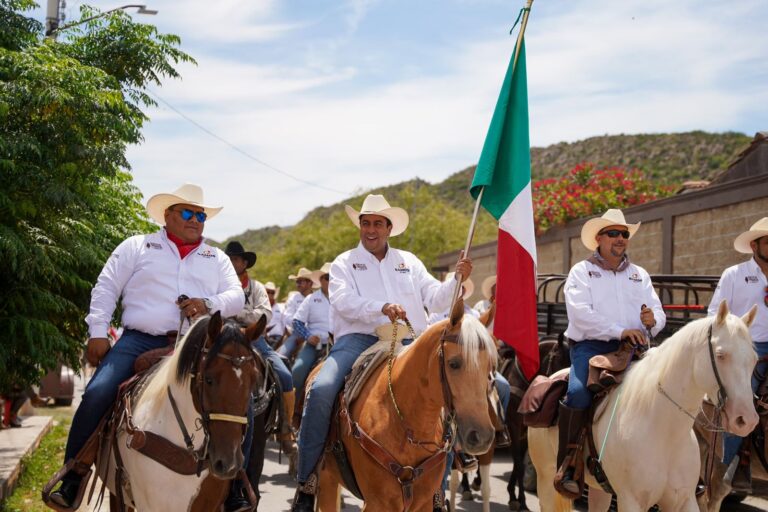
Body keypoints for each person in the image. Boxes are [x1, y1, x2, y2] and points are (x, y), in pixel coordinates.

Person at [49, 183, 246, 510]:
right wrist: (97, 331)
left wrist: (207, 303)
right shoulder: (137, 246)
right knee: (98, 392)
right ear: (167, 215)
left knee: (239, 402)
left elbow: (236, 296)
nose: (195, 219)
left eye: (200, 215)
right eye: (187, 212)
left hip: (194, 344)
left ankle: (238, 482)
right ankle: (74, 474)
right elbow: (106, 287)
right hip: (140, 338)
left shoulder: (217, 257)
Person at [291, 194, 474, 511]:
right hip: (359, 340)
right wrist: (381, 307)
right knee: (321, 389)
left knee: (447, 388)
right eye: (366, 223)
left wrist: (457, 278)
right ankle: (307, 481)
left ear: (390, 228)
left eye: (378, 223)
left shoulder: (409, 262)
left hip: (409, 343)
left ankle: (440, 483)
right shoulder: (344, 263)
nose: (371, 229)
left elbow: (437, 297)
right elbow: (343, 301)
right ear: (360, 226)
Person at [556, 209, 665, 497]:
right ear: (599, 239)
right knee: (578, 392)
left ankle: (677, 465)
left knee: (670, 389)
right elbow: (580, 315)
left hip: (635, 347)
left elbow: (657, 312)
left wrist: (654, 321)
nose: (620, 239)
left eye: (624, 234)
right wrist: (620, 331)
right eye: (614, 233)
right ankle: (568, 464)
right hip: (591, 347)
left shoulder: (639, 275)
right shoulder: (581, 271)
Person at [224, 241, 296, 508]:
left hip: (255, 340)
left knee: (284, 374)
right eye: (230, 259)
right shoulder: (218, 284)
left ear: (245, 263)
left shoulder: (255, 288)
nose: (234, 264)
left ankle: (286, 428)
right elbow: (215, 313)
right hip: (224, 338)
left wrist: (237, 313)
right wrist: (244, 315)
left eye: (238, 260)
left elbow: (264, 314)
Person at [709, 217, 768, 492]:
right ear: (754, 245)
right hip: (746, 348)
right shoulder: (734, 274)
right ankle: (718, 471)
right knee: (741, 402)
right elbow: (714, 316)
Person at [291, 263, 332, 399]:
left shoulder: (342, 298)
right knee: (298, 370)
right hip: (314, 345)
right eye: (327, 277)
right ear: (320, 280)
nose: (330, 280)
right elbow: (296, 322)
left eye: (333, 277)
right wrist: (308, 336)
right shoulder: (311, 299)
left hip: (339, 344)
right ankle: (291, 408)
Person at [277, 268, 317, 358]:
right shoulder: (293, 298)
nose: (297, 284)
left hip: (316, 332)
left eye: (300, 282)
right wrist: (302, 330)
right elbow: (288, 317)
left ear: (310, 283)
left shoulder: (318, 298)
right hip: (297, 333)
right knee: (280, 357)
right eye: (297, 282)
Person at [264, 281, 284, 346]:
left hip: (278, 337)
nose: (270, 294)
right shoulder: (260, 307)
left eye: (272, 292)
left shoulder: (282, 307)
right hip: (263, 337)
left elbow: (285, 324)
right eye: (268, 292)